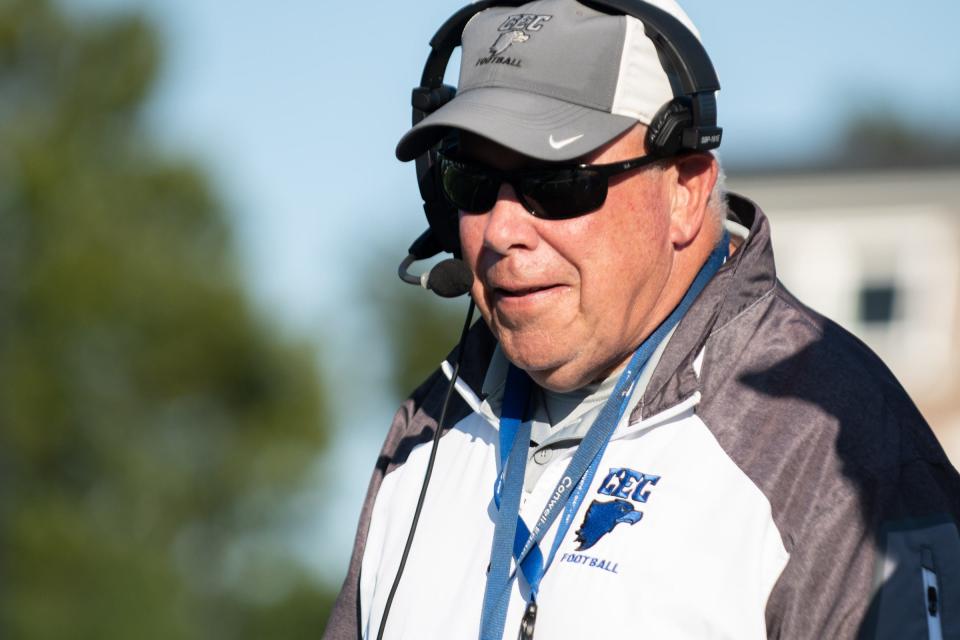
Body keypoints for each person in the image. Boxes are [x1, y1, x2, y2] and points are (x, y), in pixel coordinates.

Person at [324, 0, 960, 637]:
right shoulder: (424, 432)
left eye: (557, 182)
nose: (502, 231)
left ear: (685, 191)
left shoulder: (835, 451)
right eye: (472, 182)